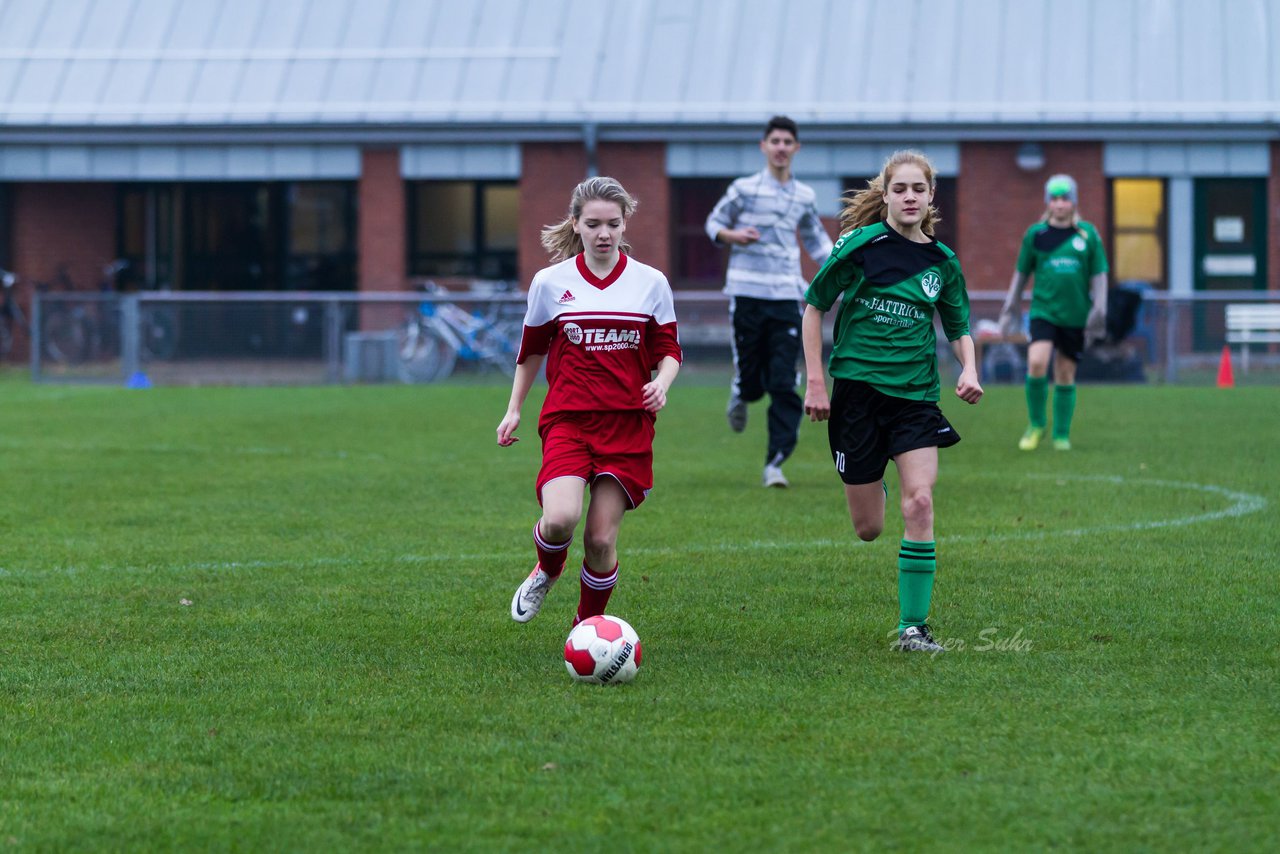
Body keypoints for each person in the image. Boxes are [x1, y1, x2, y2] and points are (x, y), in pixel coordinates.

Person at [801, 150, 983, 653]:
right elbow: (814, 308)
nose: (909, 197)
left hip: (916, 398)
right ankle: (872, 482)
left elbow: (958, 327)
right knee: (867, 529)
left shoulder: (943, 263)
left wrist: (969, 368)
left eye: (917, 190)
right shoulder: (860, 246)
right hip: (857, 395)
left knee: (921, 502)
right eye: (899, 189)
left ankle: (913, 628)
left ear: (930, 198)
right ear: (885, 194)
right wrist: (816, 382)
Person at [498, 176, 682, 627]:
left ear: (625, 225)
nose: (604, 233)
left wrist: (663, 382)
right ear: (576, 224)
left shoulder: (650, 283)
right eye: (594, 224)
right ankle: (547, 568)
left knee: (600, 540)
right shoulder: (549, 283)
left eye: (613, 224)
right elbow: (532, 351)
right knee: (560, 518)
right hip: (569, 420)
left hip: (628, 426)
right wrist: (514, 408)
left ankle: (586, 629)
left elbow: (670, 350)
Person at [706, 115, 833, 488]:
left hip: (786, 295)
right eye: (774, 141)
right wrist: (733, 235)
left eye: (787, 142)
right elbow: (713, 223)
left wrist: (843, 269)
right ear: (764, 146)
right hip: (746, 293)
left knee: (782, 381)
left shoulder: (804, 196)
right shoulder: (744, 190)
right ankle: (741, 391)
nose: (780, 147)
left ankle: (775, 463)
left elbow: (817, 242)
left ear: (796, 148)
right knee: (753, 383)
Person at [998, 174, 1108, 451]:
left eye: (1065, 198)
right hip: (1043, 310)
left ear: (1073, 201)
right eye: (1055, 198)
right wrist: (1010, 305)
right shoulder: (1036, 235)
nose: (1060, 204)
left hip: (1076, 315)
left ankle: (1061, 434)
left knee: (1065, 373)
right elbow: (1021, 273)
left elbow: (1099, 273)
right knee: (1036, 362)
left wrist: (1100, 306)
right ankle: (1036, 425)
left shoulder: (1088, 235)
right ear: (1049, 202)